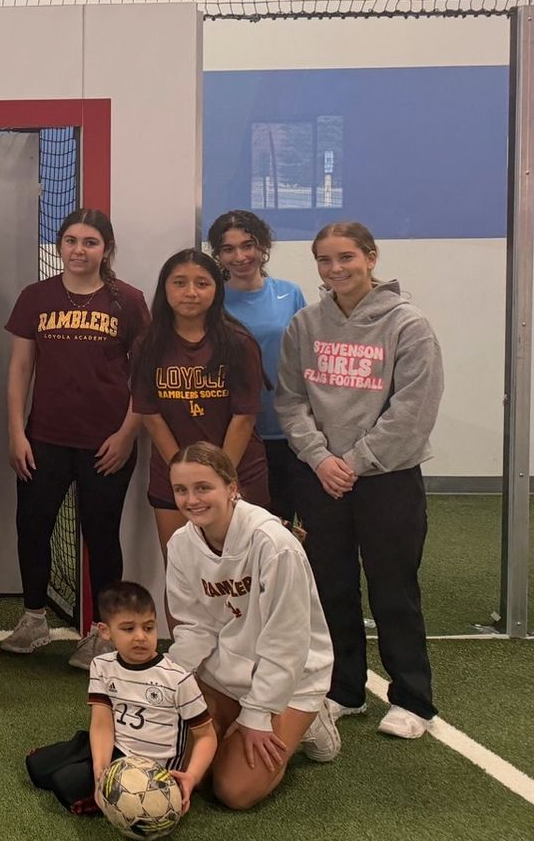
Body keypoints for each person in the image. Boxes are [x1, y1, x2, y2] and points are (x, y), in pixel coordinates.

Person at [276, 221, 444, 740]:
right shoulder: (305, 324)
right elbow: (289, 399)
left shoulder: (408, 325)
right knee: (333, 586)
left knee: (394, 588)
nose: (335, 269)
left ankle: (413, 698)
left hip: (386, 479)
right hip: (322, 478)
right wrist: (321, 459)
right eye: (324, 261)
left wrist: (357, 461)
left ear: (370, 258)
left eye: (346, 257)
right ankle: (343, 688)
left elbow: (413, 409)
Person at [0, 208, 148, 668]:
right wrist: (16, 432)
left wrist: (126, 434)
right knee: (32, 527)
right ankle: (34, 619)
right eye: (70, 241)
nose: (79, 250)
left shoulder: (129, 300)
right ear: (59, 246)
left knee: (102, 534)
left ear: (107, 249)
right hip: (44, 437)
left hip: (107, 443)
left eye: (90, 242)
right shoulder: (36, 296)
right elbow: (20, 368)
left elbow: (144, 377)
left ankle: (103, 633)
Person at [165, 444, 341, 805]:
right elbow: (194, 626)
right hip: (227, 673)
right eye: (181, 490)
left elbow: (287, 640)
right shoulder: (181, 544)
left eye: (203, 487)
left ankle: (311, 719)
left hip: (292, 678)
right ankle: (237, 722)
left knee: (234, 790)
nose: (191, 500)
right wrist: (170, 681)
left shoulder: (275, 544)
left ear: (232, 488)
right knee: (177, 764)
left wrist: (259, 713)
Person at [24, 581, 217, 814]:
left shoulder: (178, 679)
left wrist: (191, 777)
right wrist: (100, 769)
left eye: (148, 628)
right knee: (36, 767)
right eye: (128, 629)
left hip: (149, 769)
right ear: (105, 631)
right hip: (115, 745)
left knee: (66, 784)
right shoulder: (102, 665)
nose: (140, 637)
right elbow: (102, 722)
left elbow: (206, 736)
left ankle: (98, 792)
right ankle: (81, 750)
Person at [131, 248, 271, 551]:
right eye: (179, 283)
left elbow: (244, 417)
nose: (190, 292)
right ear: (165, 288)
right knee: (182, 575)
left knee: (238, 576)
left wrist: (218, 479)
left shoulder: (239, 342)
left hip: (236, 473)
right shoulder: (147, 344)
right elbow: (150, 416)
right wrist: (185, 479)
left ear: (216, 290)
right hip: (172, 475)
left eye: (202, 283)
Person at [209, 209, 308, 524]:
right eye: (228, 248)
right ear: (219, 254)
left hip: (285, 431)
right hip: (231, 430)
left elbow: (307, 357)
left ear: (262, 246)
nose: (240, 256)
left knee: (281, 522)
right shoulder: (212, 300)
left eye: (247, 245)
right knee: (235, 524)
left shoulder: (289, 293)